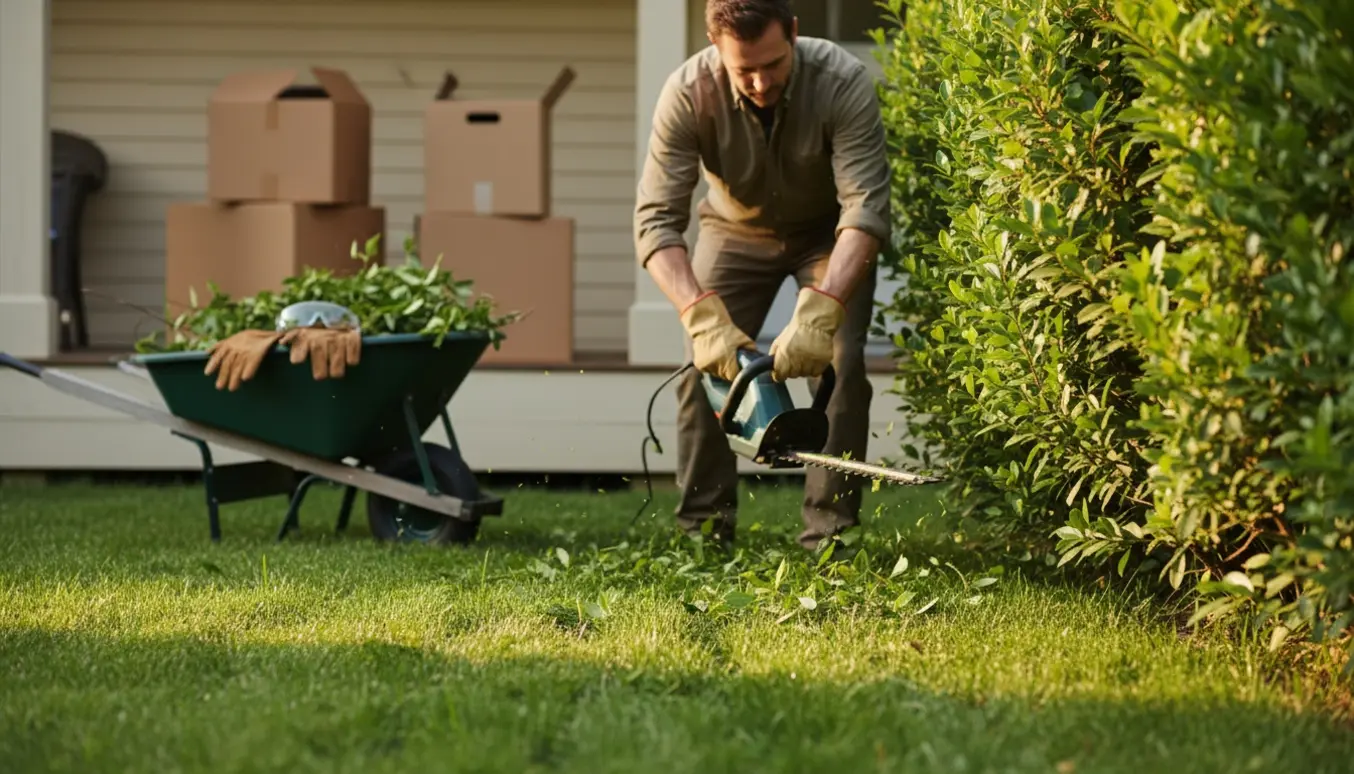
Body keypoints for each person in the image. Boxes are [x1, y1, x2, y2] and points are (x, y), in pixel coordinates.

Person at [633, 0, 892, 551]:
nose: (757, 82)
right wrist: (701, 318)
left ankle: (829, 535)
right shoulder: (687, 92)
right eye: (741, 70)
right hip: (733, 231)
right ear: (714, 47)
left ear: (794, 33)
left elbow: (865, 212)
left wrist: (822, 310)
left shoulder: (842, 81)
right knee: (703, 368)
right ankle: (704, 531)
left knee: (842, 365)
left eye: (771, 65)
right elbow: (655, 223)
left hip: (830, 234)